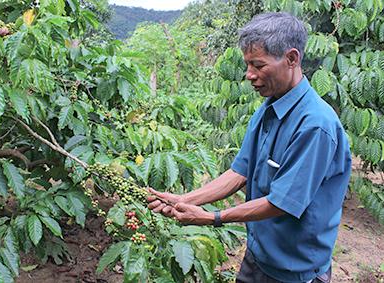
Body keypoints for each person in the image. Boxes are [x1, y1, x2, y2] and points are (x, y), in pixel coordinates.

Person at [147, 12, 351, 283]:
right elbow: (240, 172)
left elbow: (282, 203)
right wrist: (185, 199)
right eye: (248, 65)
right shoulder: (268, 108)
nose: (249, 75)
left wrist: (212, 218)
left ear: (292, 59)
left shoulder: (315, 126)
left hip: (295, 271)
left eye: (258, 65)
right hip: (259, 255)